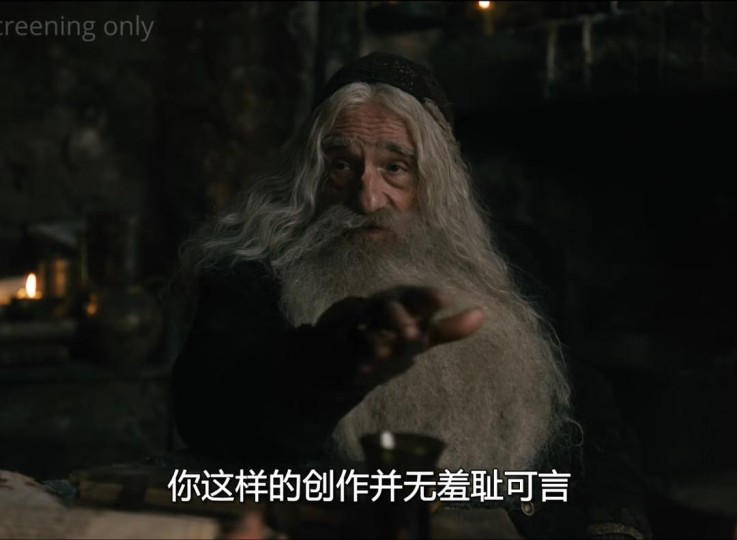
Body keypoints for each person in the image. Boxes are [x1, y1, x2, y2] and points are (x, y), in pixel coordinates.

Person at [171, 52, 650, 539]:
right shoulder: (248, 272)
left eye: (395, 168)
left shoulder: (509, 261)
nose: (367, 199)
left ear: (435, 182)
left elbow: (589, 411)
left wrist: (615, 525)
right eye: (341, 165)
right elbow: (210, 417)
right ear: (309, 174)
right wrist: (333, 363)